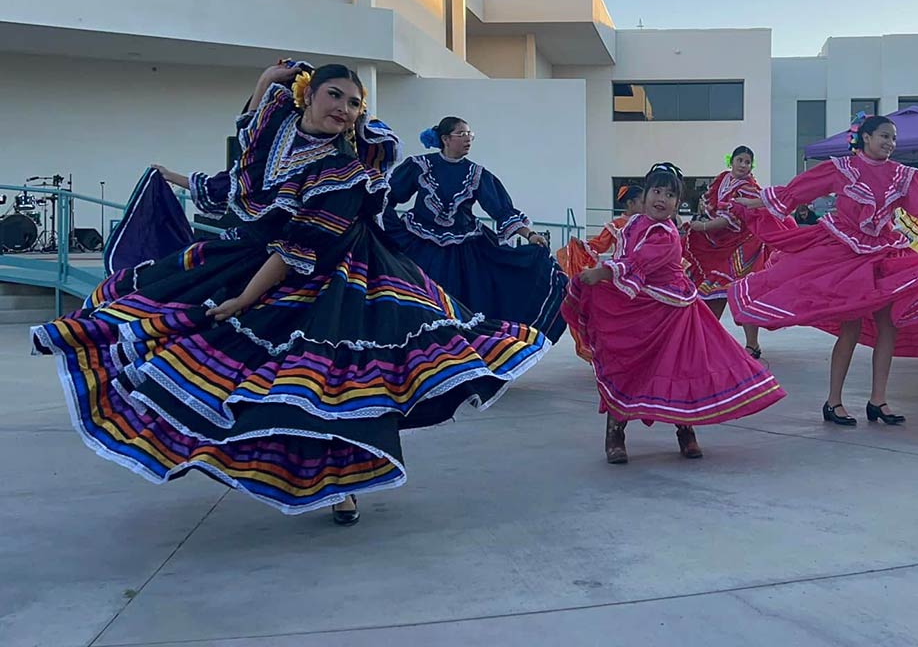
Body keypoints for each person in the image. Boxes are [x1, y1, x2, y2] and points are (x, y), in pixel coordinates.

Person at [31, 62, 550, 524]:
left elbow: (301, 248)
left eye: (354, 104)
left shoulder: (345, 172)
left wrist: (241, 300)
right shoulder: (275, 135)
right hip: (263, 257)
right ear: (308, 95)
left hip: (340, 274)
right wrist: (259, 85)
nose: (345, 110)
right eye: (335, 96)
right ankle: (254, 455)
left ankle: (344, 484)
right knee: (239, 369)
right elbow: (237, 178)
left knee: (336, 384)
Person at [731, 114, 918, 426]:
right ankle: (834, 401)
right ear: (865, 137)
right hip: (846, 252)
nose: (890, 143)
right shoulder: (844, 168)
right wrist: (763, 201)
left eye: (893, 138)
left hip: (884, 252)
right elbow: (802, 189)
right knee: (850, 326)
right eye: (884, 136)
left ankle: (878, 400)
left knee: (888, 325)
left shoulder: (902, 175)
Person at [561, 162, 786, 464]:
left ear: (678, 203)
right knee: (627, 367)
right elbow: (625, 256)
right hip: (638, 309)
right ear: (644, 195)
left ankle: (686, 430)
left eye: (670, 195)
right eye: (657, 191)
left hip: (675, 313)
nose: (662, 199)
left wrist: (603, 273)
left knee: (683, 369)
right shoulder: (631, 226)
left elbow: (641, 260)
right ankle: (615, 432)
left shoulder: (666, 233)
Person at [382, 116, 567, 342]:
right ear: (446, 139)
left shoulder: (477, 174)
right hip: (421, 245)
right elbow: (387, 196)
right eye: (462, 134)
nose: (468, 139)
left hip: (464, 251)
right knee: (421, 298)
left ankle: (460, 352)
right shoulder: (419, 165)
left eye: (470, 135)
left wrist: (529, 234)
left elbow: (501, 209)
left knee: (467, 301)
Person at [682, 146, 793, 359]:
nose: (743, 165)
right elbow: (706, 201)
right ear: (731, 161)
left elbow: (734, 217)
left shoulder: (750, 188)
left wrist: (704, 227)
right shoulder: (721, 179)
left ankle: (752, 344)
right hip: (716, 243)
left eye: (747, 162)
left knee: (743, 293)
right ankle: (707, 339)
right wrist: (703, 219)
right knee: (711, 291)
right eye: (740, 160)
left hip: (744, 245)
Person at [555, 185, 643, 361]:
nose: (645, 204)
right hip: (619, 275)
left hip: (639, 274)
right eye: (642, 201)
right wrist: (581, 245)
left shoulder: (647, 223)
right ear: (631, 203)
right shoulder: (616, 225)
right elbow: (597, 246)